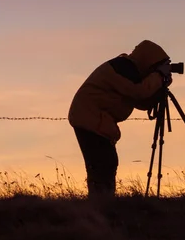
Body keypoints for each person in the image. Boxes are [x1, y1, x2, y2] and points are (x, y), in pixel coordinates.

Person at [68, 40, 173, 198]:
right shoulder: (122, 68)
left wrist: (158, 87)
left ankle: (101, 203)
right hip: (90, 118)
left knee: (104, 164)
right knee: (103, 163)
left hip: (93, 118)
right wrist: (158, 77)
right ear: (149, 62)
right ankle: (101, 203)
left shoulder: (129, 70)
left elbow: (140, 101)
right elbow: (138, 92)